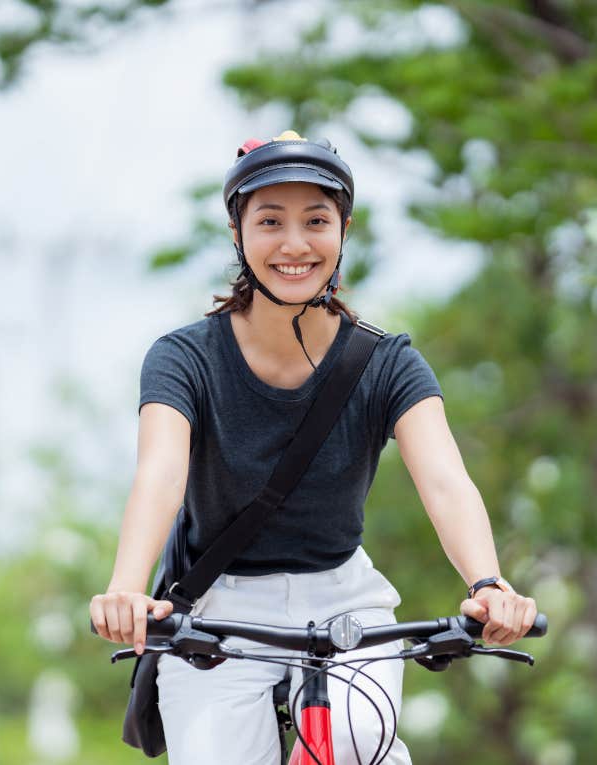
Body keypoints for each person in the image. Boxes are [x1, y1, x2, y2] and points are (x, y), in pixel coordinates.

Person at [89, 131, 538, 764]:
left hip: (343, 600)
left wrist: (488, 583)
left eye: (316, 221)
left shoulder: (388, 364)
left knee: (360, 743)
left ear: (344, 230)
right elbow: (161, 475)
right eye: (270, 221)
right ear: (238, 233)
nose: (295, 244)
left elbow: (445, 481)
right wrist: (128, 589)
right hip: (217, 609)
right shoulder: (184, 358)